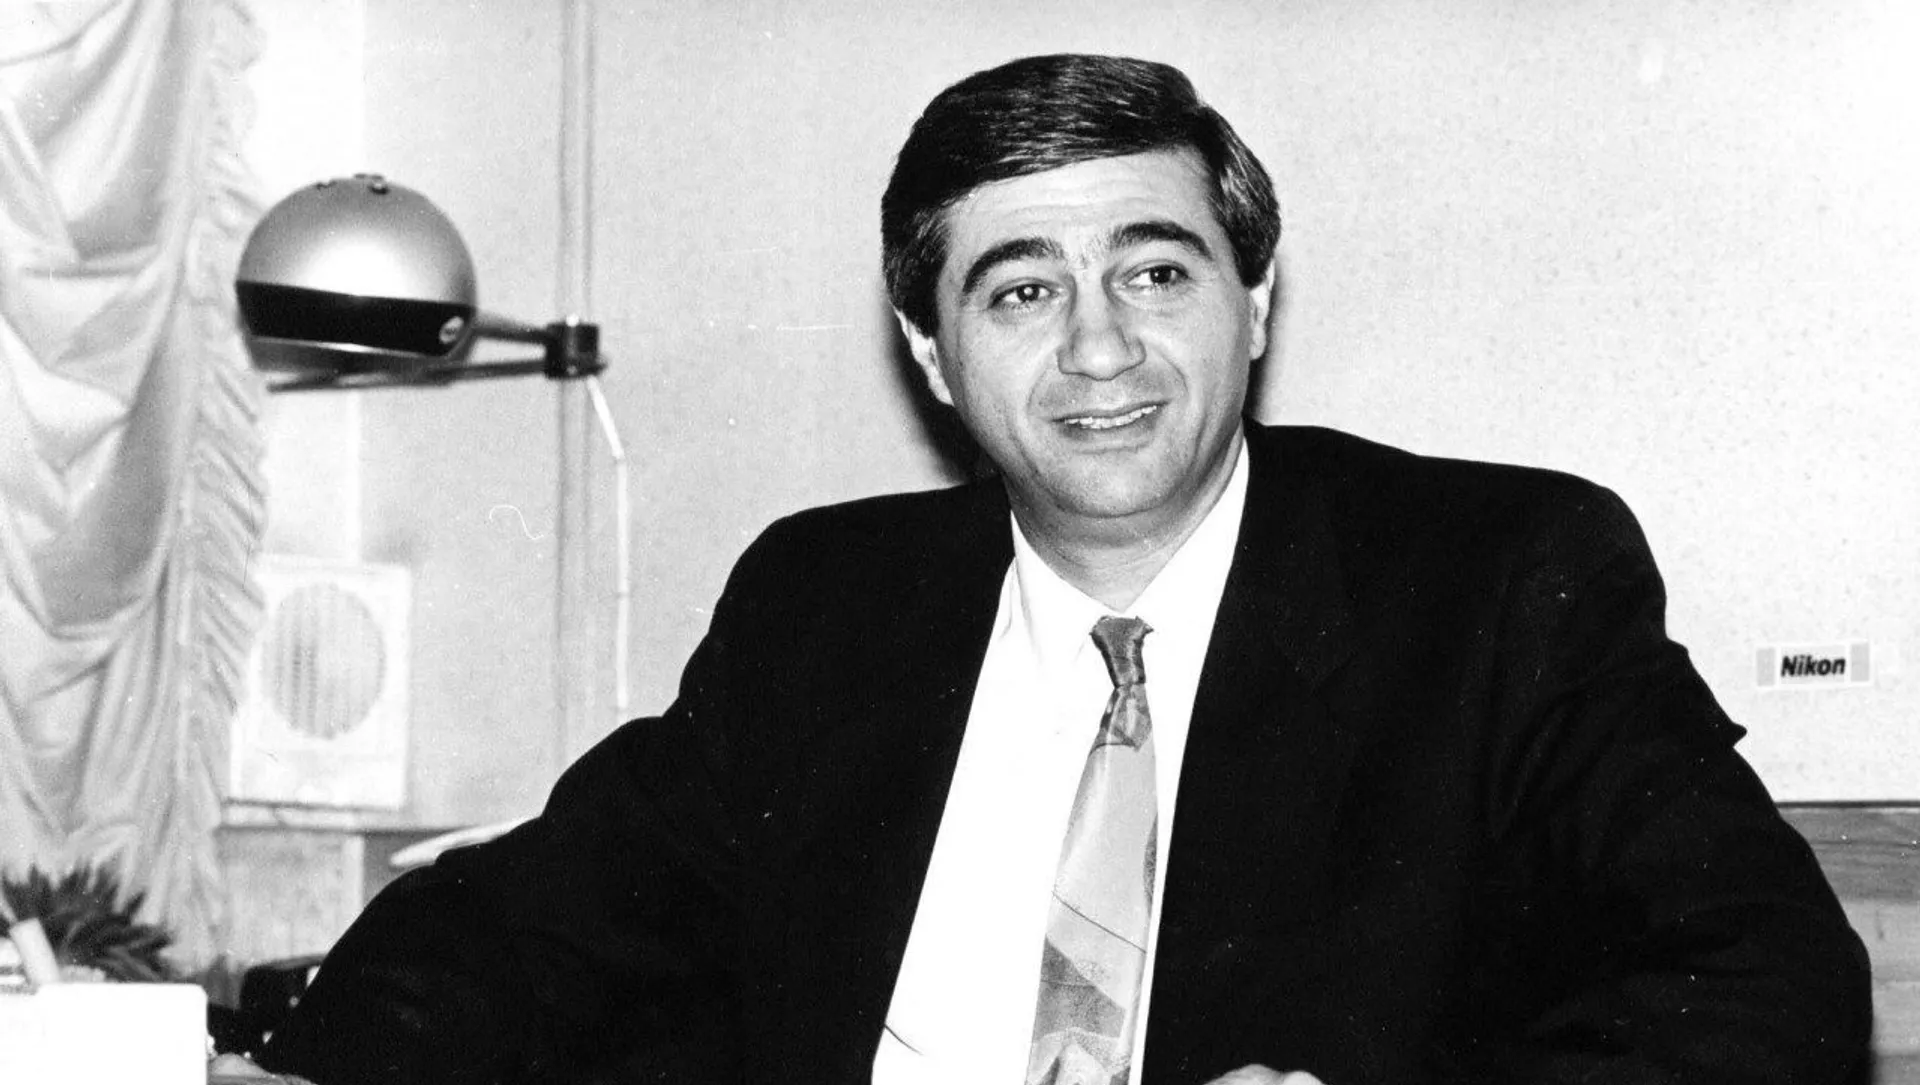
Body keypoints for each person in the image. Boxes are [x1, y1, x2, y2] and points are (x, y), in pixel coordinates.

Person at [257, 54, 1870, 1085]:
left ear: (1252, 301)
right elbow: (528, 927)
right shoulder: (830, 608)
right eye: (1021, 291)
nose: (1102, 348)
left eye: (1155, 272)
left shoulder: (1493, 583)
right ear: (932, 352)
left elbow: (1773, 979)